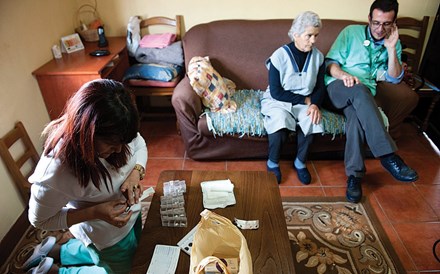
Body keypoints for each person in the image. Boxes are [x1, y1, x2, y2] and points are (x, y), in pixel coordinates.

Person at [23, 79, 148, 274]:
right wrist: (95, 212)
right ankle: (56, 272)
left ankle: (59, 251)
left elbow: (139, 144)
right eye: (111, 143)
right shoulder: (55, 171)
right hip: (106, 236)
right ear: (87, 133)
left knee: (135, 251)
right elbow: (40, 221)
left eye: (124, 142)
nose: (119, 149)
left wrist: (135, 172)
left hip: (130, 219)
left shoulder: (119, 131)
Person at [324, 0, 418, 203]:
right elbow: (329, 64)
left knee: (356, 119)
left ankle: (354, 177)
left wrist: (392, 49)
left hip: (363, 96)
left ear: (393, 23)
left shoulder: (393, 41)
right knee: (359, 91)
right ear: (369, 19)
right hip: (337, 88)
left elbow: (394, 78)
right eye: (375, 23)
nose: (379, 28)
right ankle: (388, 156)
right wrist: (342, 76)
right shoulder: (351, 32)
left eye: (386, 24)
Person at [261, 11, 325, 185]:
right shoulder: (278, 56)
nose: (313, 40)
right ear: (296, 34)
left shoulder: (318, 57)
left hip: (305, 102)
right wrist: (307, 101)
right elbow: (276, 92)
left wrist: (314, 105)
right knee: (280, 120)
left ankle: (300, 162)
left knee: (312, 120)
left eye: (316, 36)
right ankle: (272, 162)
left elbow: (320, 87)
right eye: (309, 35)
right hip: (278, 101)